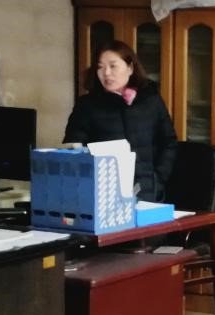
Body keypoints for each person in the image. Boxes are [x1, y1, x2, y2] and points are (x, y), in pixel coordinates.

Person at [63, 40, 177, 202]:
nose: (106, 73)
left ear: (130, 68)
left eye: (113, 66)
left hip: (148, 191)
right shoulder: (87, 105)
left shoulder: (151, 100)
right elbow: (73, 148)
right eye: (100, 67)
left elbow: (169, 142)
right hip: (102, 193)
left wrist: (157, 179)